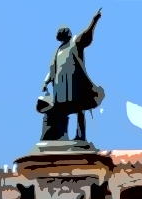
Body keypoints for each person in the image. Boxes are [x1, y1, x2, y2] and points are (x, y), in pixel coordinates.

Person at [41, 8, 104, 142]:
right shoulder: (58, 51)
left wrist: (94, 20)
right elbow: (52, 69)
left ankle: (80, 136)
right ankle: (62, 136)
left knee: (79, 109)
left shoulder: (75, 42)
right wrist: (46, 81)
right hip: (61, 86)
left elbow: (86, 35)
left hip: (74, 84)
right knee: (61, 111)